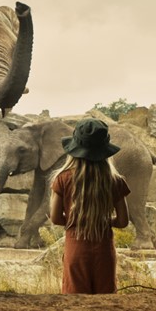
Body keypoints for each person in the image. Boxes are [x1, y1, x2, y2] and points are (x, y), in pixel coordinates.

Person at [50, 119, 131, 294]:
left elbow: (55, 217)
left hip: (75, 249)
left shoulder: (62, 179)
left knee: (75, 305)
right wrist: (101, 220)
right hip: (104, 252)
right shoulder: (115, 181)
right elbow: (123, 221)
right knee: (104, 305)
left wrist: (77, 220)